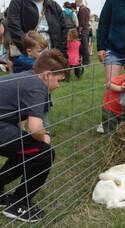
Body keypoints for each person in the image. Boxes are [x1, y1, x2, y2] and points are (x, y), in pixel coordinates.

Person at [0, 49, 67, 222]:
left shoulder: (27, 77)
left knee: (27, 149)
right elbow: (35, 127)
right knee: (43, 152)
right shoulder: (38, 87)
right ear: (47, 75)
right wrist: (44, 136)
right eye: (59, 80)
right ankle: (19, 205)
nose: (59, 85)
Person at [75, 0, 90, 69]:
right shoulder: (85, 8)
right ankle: (85, 61)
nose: (75, 3)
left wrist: (79, 31)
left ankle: (86, 62)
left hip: (83, 30)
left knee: (84, 47)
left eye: (76, 2)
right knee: (84, 46)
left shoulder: (82, 9)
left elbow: (82, 22)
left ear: (78, 1)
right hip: (86, 30)